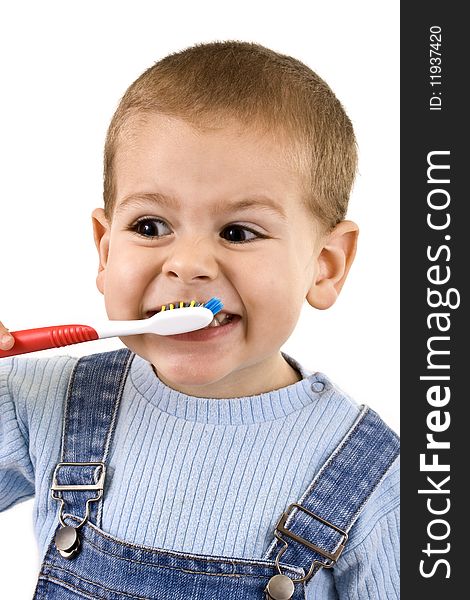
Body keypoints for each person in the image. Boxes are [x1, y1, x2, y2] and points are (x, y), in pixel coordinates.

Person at [0, 41, 399, 599]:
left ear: (325, 267)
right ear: (104, 249)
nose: (186, 264)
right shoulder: (41, 406)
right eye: (149, 226)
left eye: (238, 232)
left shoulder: (377, 479)